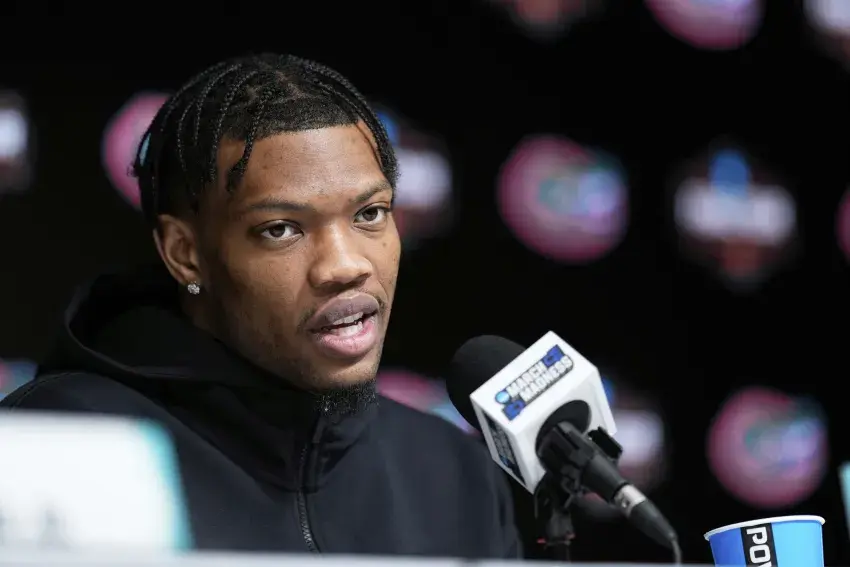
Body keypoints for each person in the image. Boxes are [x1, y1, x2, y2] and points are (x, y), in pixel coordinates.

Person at [2, 54, 521, 557]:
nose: (345, 266)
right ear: (185, 254)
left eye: (369, 214)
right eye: (281, 229)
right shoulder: (58, 442)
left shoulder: (457, 473)